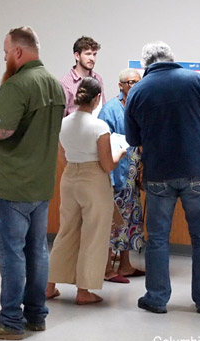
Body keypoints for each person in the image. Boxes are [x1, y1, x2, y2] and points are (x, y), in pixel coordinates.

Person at [0, 26, 65, 340]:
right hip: (39, 185)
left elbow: (3, 131)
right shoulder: (54, 84)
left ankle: (10, 321)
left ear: (18, 53)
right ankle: (36, 315)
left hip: (10, 187)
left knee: (11, 254)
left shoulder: (17, 85)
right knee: (37, 251)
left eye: (6, 52)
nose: (5, 58)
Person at [125, 42, 200, 314]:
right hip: (197, 170)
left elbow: (133, 138)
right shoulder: (197, 81)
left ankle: (157, 299)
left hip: (158, 174)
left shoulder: (137, 91)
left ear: (145, 65)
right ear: (172, 58)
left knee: (157, 239)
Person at [45, 77, 127, 304]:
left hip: (69, 177)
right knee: (94, 235)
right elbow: (107, 164)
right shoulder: (99, 126)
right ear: (98, 98)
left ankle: (49, 286)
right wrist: (120, 153)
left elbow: (61, 156)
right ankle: (83, 291)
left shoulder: (64, 123)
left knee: (66, 232)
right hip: (94, 182)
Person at [98, 68, 145, 283]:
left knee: (131, 220)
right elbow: (103, 142)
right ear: (120, 85)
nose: (134, 86)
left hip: (133, 175)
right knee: (113, 222)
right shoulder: (110, 109)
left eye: (137, 82)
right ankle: (107, 268)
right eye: (130, 82)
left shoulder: (139, 107)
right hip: (116, 173)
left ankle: (125, 265)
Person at [60, 36, 106, 116]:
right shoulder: (65, 83)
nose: (92, 58)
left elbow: (103, 108)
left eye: (94, 54)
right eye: (88, 54)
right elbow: (61, 116)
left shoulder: (98, 79)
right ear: (77, 56)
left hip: (96, 126)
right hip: (74, 127)